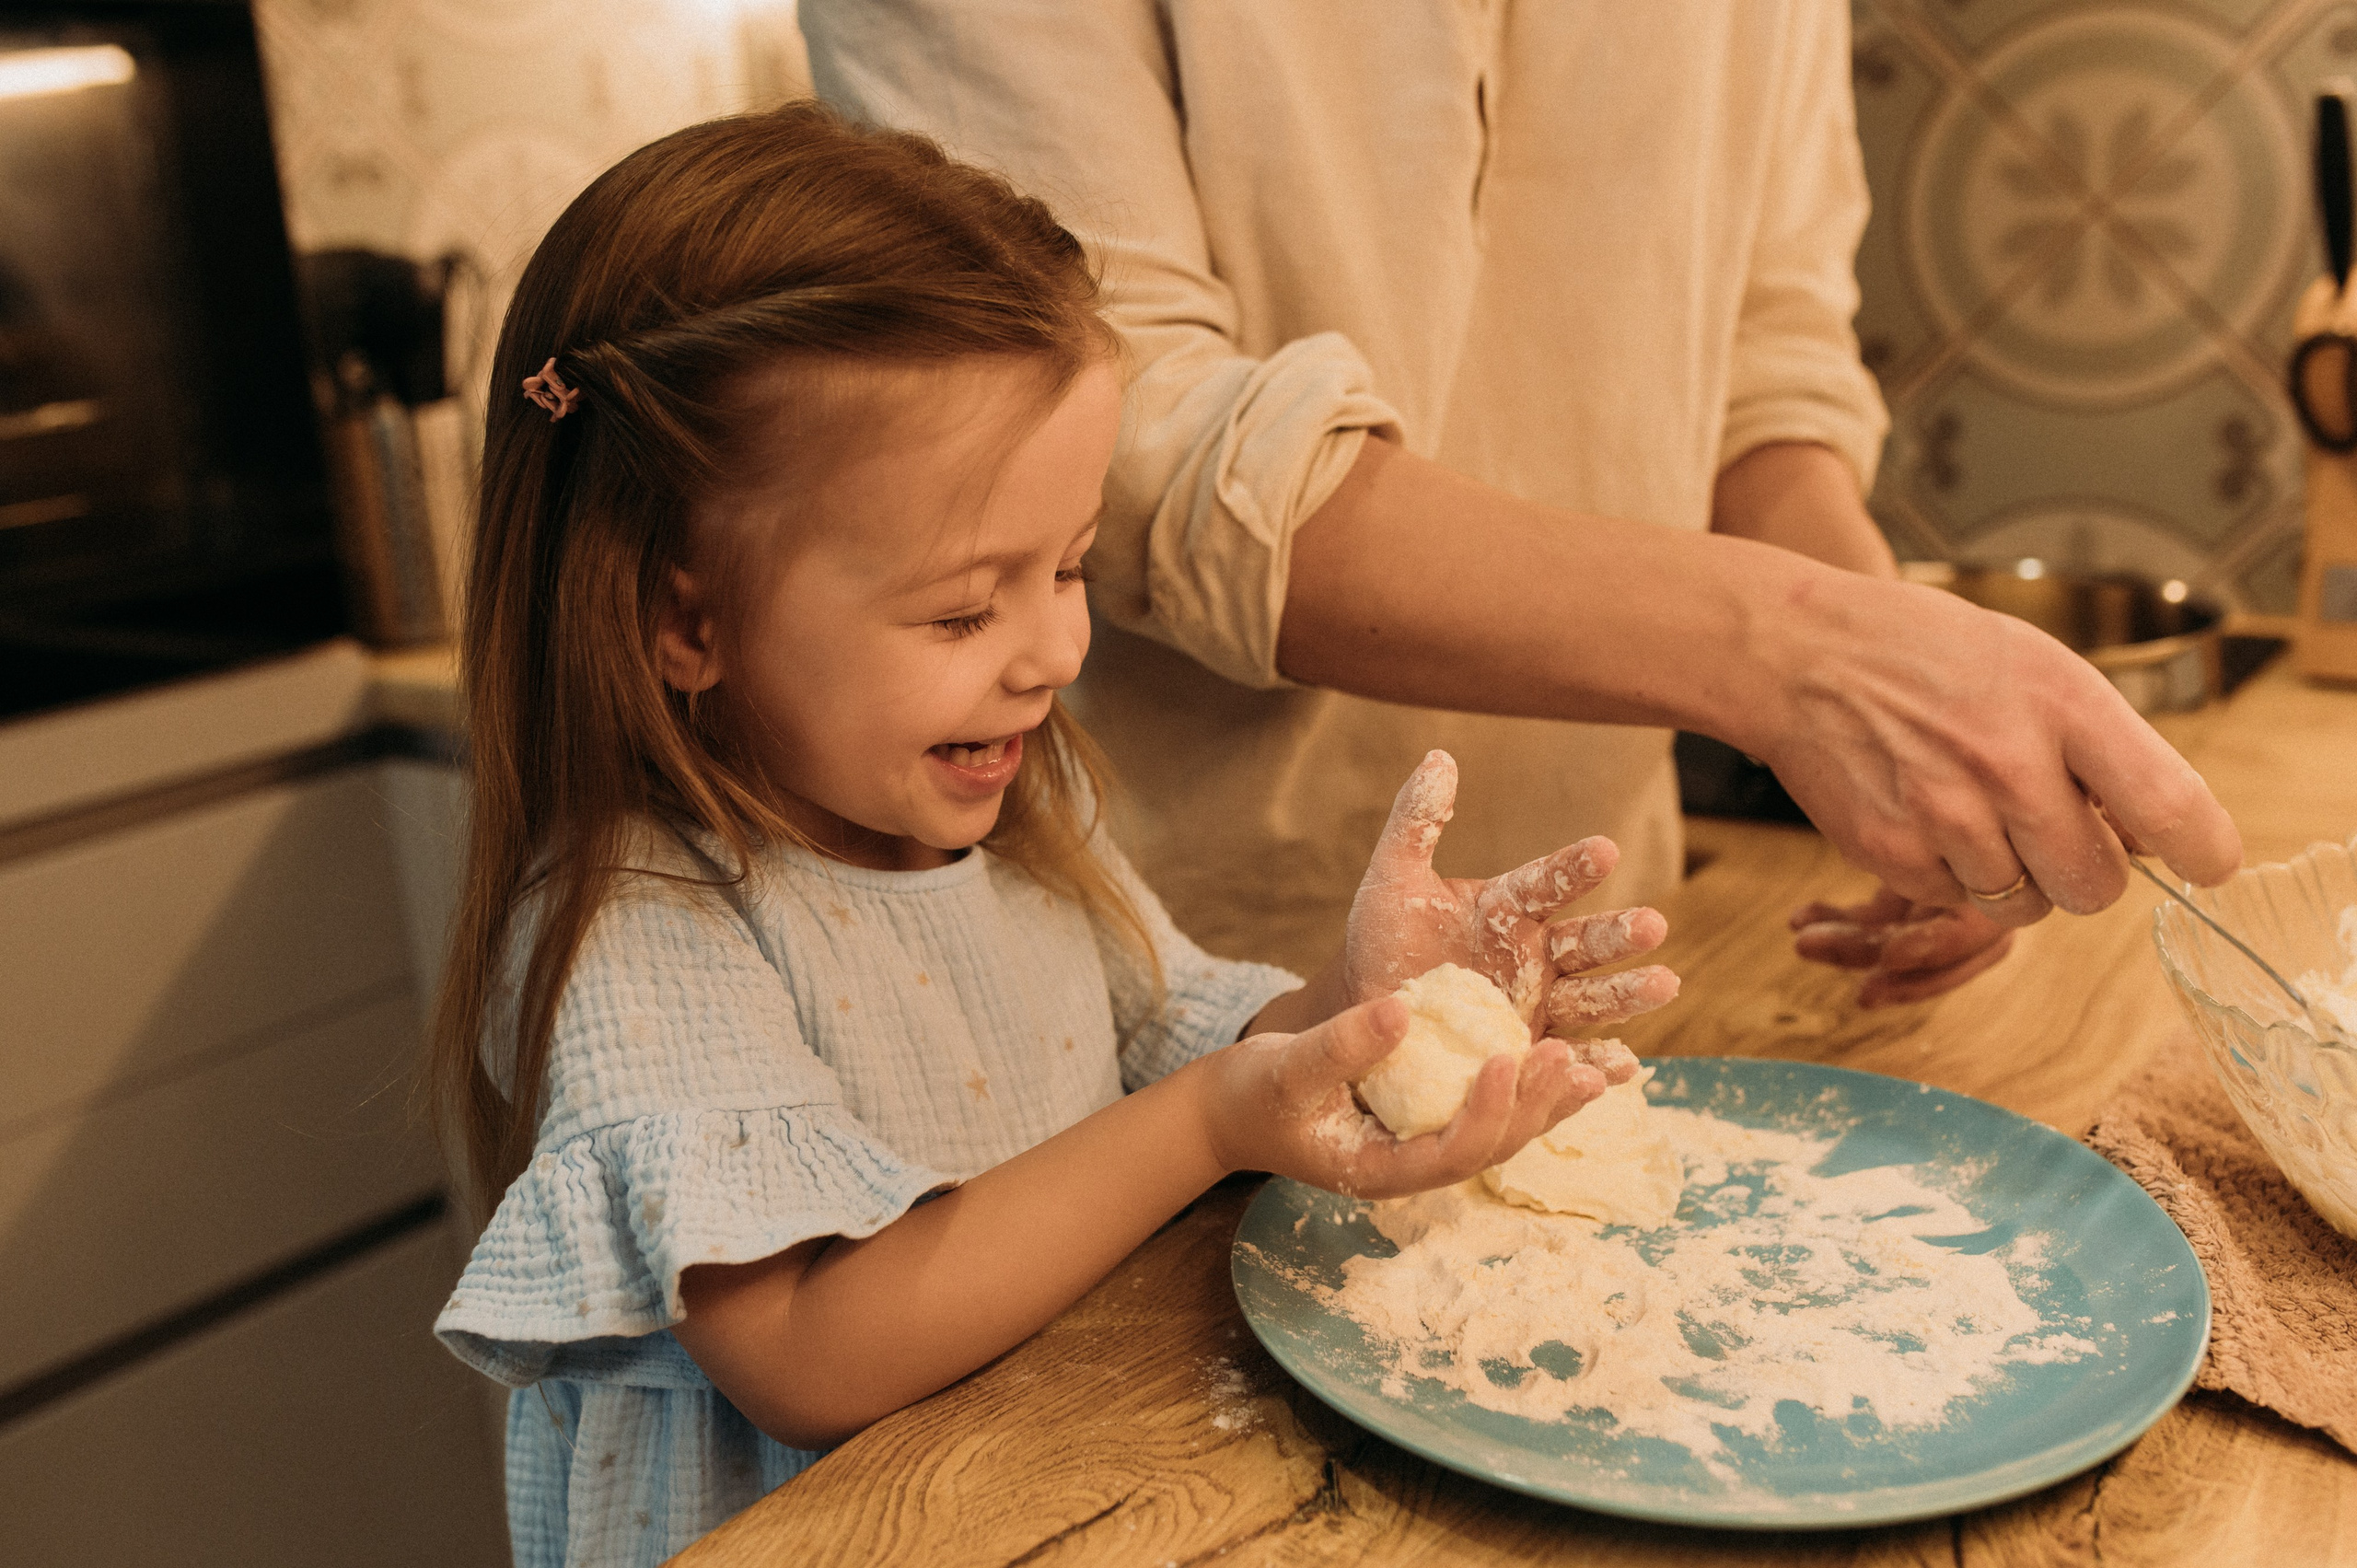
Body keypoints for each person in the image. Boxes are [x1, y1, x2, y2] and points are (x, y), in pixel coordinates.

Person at [427, 105, 1681, 1567]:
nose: (1052, 652)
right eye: (964, 607)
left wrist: (1368, 1008)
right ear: (687, 617)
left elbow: (1190, 1044)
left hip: (1041, 1493)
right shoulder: (648, 930)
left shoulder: (1020, 819)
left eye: (1071, 567)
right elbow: (811, 1356)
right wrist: (1216, 1122)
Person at [800, 2, 2244, 1001]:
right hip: (1136, 964)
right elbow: (1119, 430)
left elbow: (1763, 352)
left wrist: (1899, 721)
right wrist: (1810, 656)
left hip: (1599, 955)